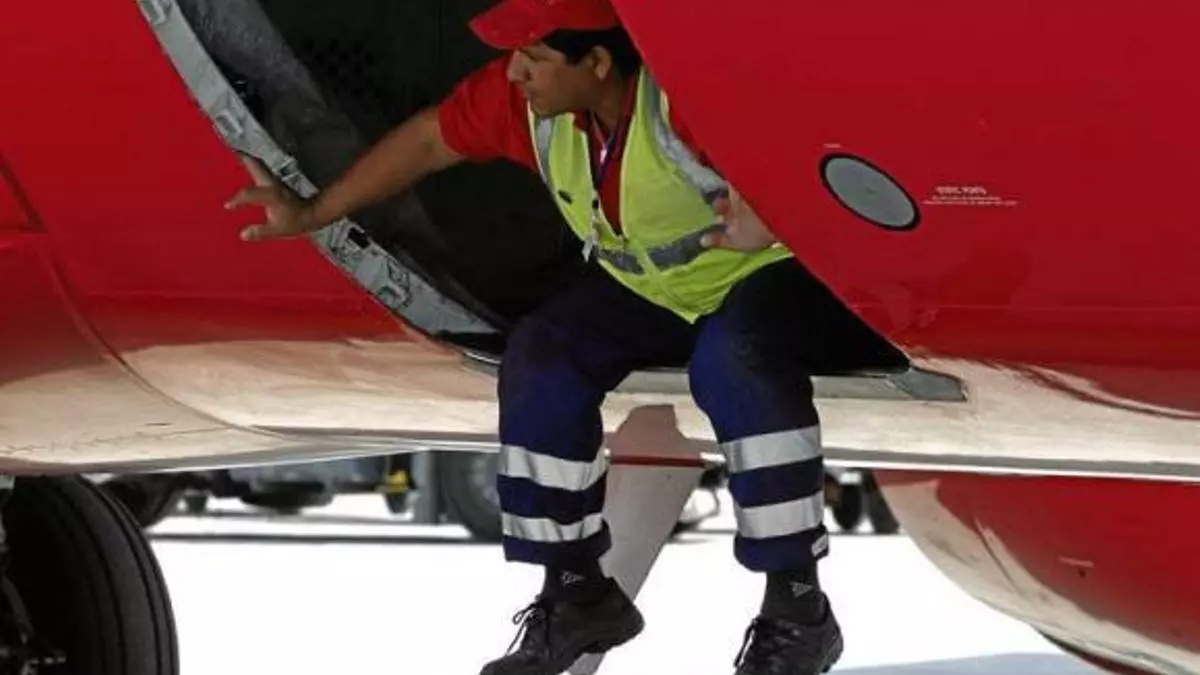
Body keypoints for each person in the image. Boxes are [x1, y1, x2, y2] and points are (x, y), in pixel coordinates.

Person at [226, 0, 851, 672]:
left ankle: (797, 608)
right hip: (658, 291)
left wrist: (776, 219)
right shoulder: (532, 107)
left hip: (769, 277)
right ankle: (576, 591)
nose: (514, 71)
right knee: (540, 356)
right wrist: (313, 213)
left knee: (734, 361)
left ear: (598, 62)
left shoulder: (683, 101)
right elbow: (430, 140)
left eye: (534, 56)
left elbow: (821, 150)